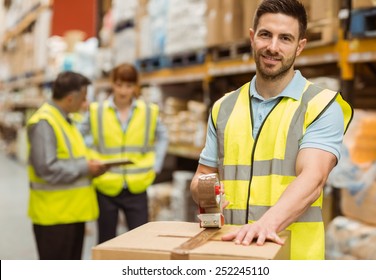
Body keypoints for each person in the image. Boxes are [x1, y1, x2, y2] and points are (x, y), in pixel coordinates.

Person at [190, 0, 353, 260]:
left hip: (292, 258)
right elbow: (203, 177)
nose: (273, 47)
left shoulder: (321, 105)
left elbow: (313, 179)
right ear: (253, 37)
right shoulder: (224, 107)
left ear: (300, 46)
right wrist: (205, 191)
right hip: (233, 255)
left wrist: (265, 225)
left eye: (285, 38)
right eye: (266, 35)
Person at [79, 63, 169, 243]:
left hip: (137, 184)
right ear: (112, 84)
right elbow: (77, 136)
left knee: (140, 241)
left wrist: (156, 166)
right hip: (106, 184)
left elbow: (163, 137)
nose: (123, 91)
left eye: (128, 86)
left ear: (136, 86)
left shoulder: (148, 111)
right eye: (119, 85)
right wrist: (90, 158)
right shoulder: (97, 110)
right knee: (106, 240)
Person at [27, 71, 108, 260]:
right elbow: (45, 168)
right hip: (54, 217)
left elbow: (73, 156)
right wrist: (85, 168)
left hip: (71, 214)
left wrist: (92, 166)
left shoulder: (66, 120)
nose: (85, 103)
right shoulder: (44, 123)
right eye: (83, 98)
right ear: (71, 98)